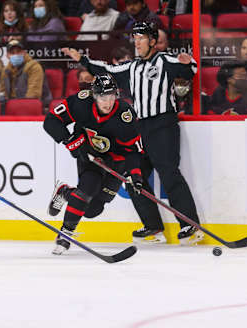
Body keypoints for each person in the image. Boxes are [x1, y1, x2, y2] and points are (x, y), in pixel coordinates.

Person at [62, 21, 204, 244]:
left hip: (163, 124)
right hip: (140, 128)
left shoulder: (165, 60)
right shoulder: (132, 67)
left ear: (153, 42)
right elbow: (106, 71)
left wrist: (190, 65)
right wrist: (82, 60)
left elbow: (188, 71)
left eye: (142, 38)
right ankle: (153, 227)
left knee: (168, 173)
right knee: (132, 177)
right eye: (135, 38)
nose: (137, 42)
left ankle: (189, 225)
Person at [44, 74, 144, 254]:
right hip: (90, 156)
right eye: (103, 97)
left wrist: (135, 174)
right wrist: (70, 141)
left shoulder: (125, 115)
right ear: (94, 96)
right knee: (88, 188)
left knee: (92, 210)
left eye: (112, 96)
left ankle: (66, 192)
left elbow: (133, 151)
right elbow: (51, 121)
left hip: (116, 162)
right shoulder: (81, 103)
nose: (108, 102)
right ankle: (65, 235)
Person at [0, 39, 53, 109]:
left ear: (24, 53)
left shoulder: (34, 67)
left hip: (34, 108)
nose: (16, 55)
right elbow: (3, 92)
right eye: (12, 53)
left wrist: (17, 108)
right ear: (7, 56)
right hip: (12, 108)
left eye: (18, 52)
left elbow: (33, 95)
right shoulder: (5, 70)